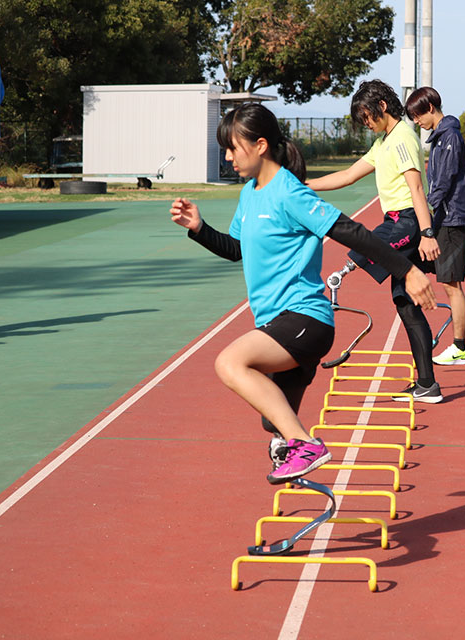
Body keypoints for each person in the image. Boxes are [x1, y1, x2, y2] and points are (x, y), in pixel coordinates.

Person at [169, 103, 435, 484]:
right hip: (276, 321)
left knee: (229, 363)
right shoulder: (250, 194)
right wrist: (199, 228)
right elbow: (236, 249)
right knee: (272, 420)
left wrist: (408, 270)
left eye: (232, 147)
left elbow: (351, 231)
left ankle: (305, 445)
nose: (227, 157)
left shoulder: (289, 193)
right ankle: (295, 447)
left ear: (260, 145)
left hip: (305, 321)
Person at [307, 79, 444, 403]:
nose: (366, 124)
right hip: (395, 221)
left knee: (365, 245)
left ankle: (346, 270)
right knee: (404, 302)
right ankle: (427, 384)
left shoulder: (401, 139)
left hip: (407, 222)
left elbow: (416, 189)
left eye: (367, 117)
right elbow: (348, 175)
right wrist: (303, 184)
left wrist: (427, 234)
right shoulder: (383, 142)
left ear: (382, 106)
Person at [404, 86, 465, 366]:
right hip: (444, 217)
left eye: (417, 116)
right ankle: (455, 345)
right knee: (445, 280)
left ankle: (459, 348)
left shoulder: (450, 137)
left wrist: (423, 208)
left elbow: (442, 182)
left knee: (452, 284)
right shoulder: (441, 137)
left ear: (430, 108)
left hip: (451, 218)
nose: (416, 121)